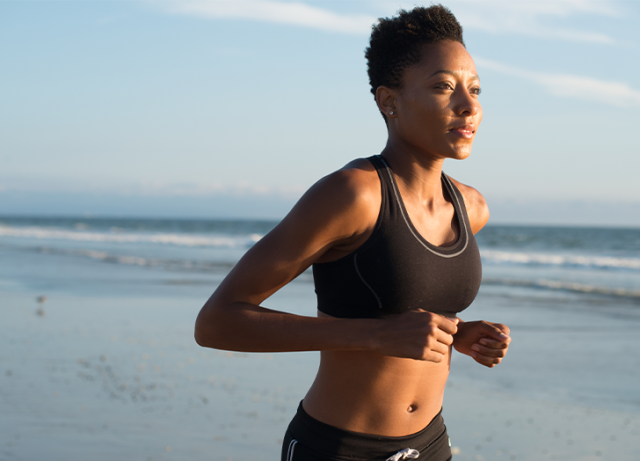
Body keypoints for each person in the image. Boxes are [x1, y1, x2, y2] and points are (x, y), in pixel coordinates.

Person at [195, 5, 511, 461]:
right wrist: (376, 336)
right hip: (338, 448)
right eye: (444, 87)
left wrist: (456, 334)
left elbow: (406, 311)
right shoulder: (353, 195)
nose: (469, 105)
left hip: (430, 444)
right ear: (390, 102)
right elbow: (217, 322)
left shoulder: (471, 207)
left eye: (475, 89)